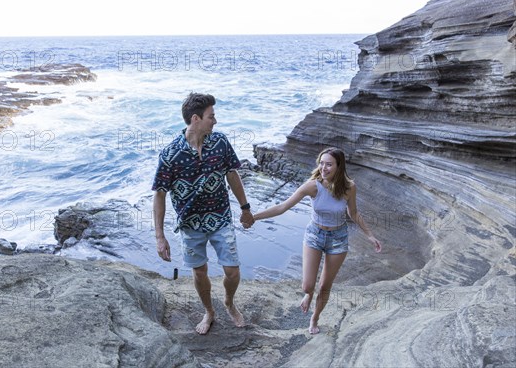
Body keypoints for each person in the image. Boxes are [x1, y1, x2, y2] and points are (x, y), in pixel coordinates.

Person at [152, 92, 255, 335]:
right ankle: (209, 311)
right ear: (196, 119)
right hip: (190, 225)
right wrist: (159, 236)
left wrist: (245, 208)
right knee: (199, 272)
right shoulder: (170, 155)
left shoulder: (220, 142)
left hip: (220, 218)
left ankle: (229, 302)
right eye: (212, 116)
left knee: (233, 270)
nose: (215, 121)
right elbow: (159, 194)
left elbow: (232, 175)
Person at [252, 147, 382, 334]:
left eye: (329, 164)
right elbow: (282, 206)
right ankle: (308, 295)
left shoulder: (349, 187)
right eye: (321, 163)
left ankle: (314, 319)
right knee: (307, 286)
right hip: (315, 235)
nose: (323, 168)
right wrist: (254, 217)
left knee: (325, 285)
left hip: (338, 239)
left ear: (339, 166)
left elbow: (353, 213)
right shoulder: (313, 185)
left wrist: (370, 235)